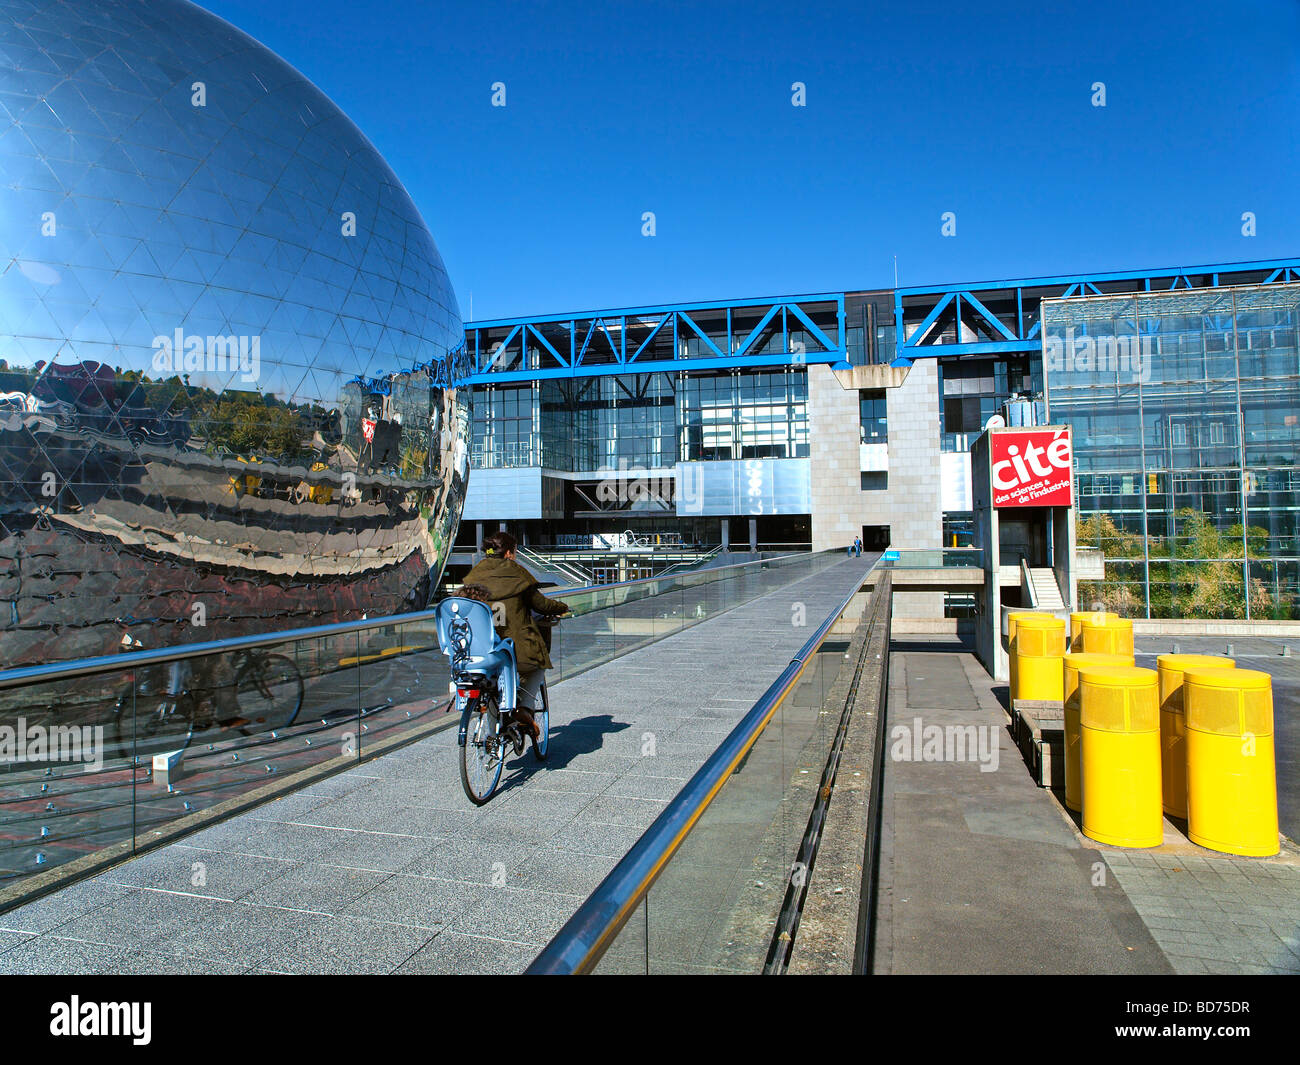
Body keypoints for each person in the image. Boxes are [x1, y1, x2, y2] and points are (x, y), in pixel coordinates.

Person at [461, 530, 568, 742]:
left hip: (481, 650)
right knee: (538, 665)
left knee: (490, 684)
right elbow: (540, 604)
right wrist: (561, 606)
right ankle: (525, 709)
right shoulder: (516, 574)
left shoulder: (474, 575)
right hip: (515, 649)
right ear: (509, 553)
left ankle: (492, 735)